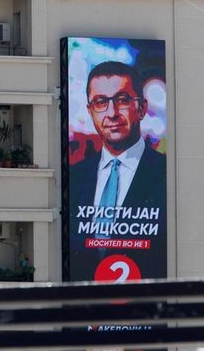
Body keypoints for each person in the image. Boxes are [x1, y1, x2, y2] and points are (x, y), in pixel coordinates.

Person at [69, 61, 166, 280]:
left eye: (122, 100)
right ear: (90, 111)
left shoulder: (166, 173)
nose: (111, 113)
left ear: (141, 108)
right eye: (100, 102)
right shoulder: (74, 177)